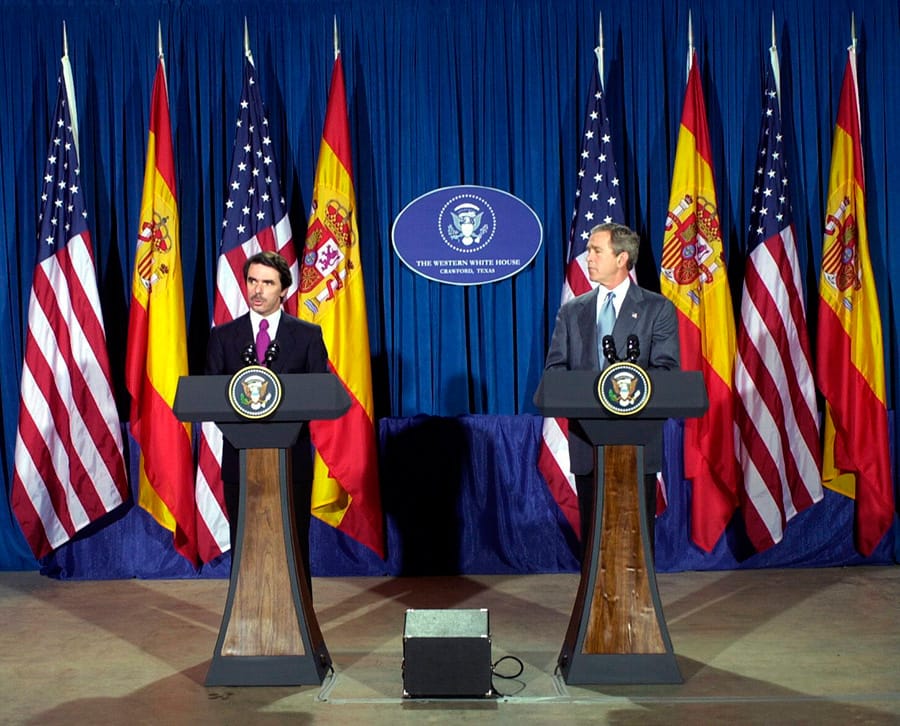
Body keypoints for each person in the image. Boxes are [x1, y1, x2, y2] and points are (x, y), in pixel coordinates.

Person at [544, 222, 680, 555]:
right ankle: (593, 606)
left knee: (635, 544)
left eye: (596, 250)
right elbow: (555, 371)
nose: (587, 256)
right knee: (594, 546)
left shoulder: (655, 308)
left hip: (636, 442)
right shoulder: (572, 311)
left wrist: (622, 393)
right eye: (588, 249)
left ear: (621, 258)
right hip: (587, 443)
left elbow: (665, 369)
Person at [206, 250, 328, 581]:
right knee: (245, 545)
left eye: (268, 283)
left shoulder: (306, 336)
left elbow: (320, 393)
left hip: (291, 461)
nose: (257, 290)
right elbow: (210, 397)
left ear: (284, 289)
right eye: (252, 281)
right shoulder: (223, 337)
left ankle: (299, 625)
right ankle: (244, 627)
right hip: (240, 460)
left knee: (293, 548)